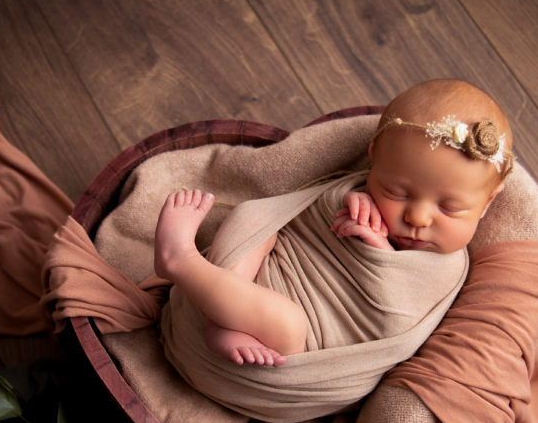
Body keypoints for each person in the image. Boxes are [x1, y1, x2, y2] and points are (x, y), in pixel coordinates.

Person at [153, 78, 514, 367]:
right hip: (260, 285)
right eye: (397, 191)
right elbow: (304, 215)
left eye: (450, 208)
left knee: (288, 322)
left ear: (488, 203)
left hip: (292, 351)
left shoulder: (453, 269)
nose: (417, 217)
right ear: (373, 161)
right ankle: (222, 312)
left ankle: (180, 260)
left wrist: (382, 253)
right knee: (256, 219)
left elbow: (397, 323)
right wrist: (346, 200)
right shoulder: (361, 189)